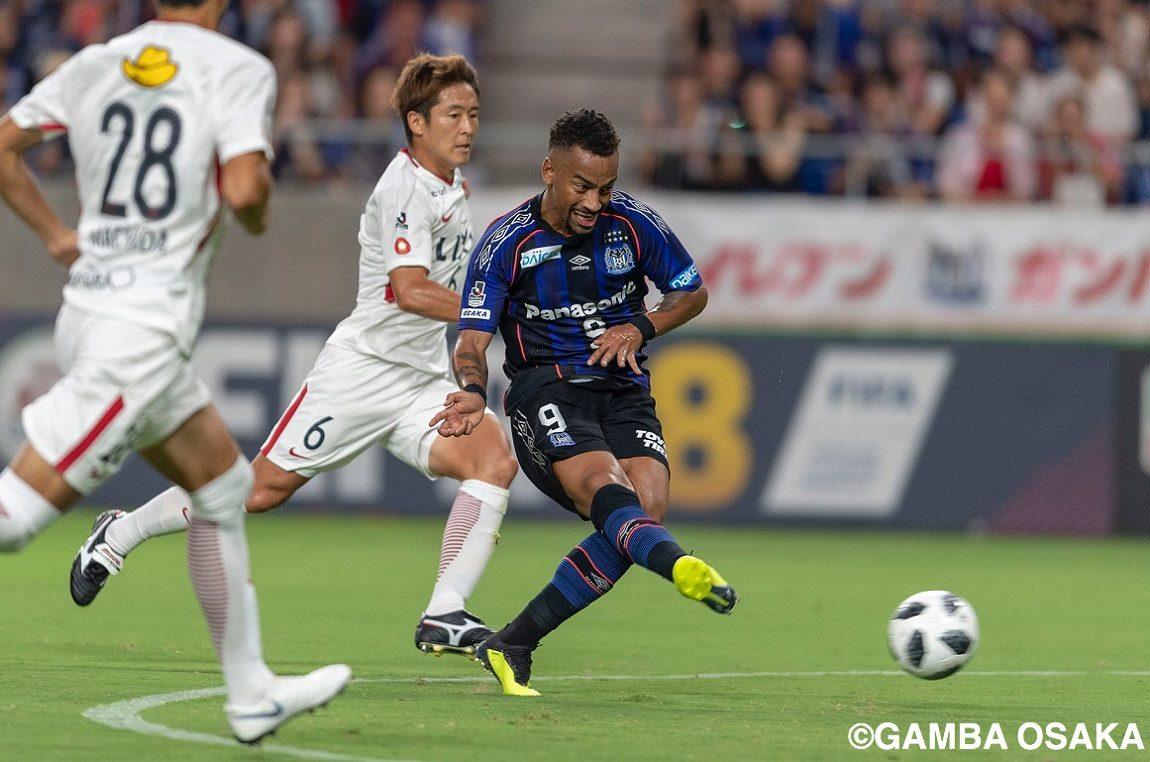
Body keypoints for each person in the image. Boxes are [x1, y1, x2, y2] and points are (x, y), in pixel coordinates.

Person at [69, 51, 518, 659]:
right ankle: (118, 532)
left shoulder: (452, 185)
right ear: (417, 121)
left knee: (492, 460)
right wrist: (492, 308)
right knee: (255, 491)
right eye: (454, 114)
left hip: (420, 379)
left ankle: (443, 613)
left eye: (474, 115)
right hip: (362, 373)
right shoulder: (405, 187)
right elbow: (410, 290)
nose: (468, 127)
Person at [0, 0, 350, 743]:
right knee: (16, 517)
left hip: (93, 311)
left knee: (223, 487)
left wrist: (59, 236)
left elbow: (4, 144)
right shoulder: (237, 67)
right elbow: (250, 189)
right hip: (141, 336)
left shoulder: (95, 63)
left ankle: (250, 692)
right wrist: (251, 212)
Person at [430, 109, 738, 697]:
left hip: (621, 384)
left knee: (645, 508)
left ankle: (513, 642)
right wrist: (472, 390)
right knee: (605, 488)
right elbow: (472, 339)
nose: (595, 202)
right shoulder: (506, 242)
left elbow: (691, 291)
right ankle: (678, 567)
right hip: (545, 388)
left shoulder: (634, 224)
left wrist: (640, 327)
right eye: (581, 186)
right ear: (549, 171)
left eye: (606, 188)